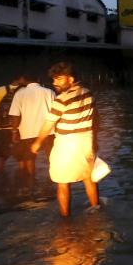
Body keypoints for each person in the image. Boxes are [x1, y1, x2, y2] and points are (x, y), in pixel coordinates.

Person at [31, 62, 99, 217]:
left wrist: (37, 143)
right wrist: (95, 140)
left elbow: (49, 124)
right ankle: (96, 209)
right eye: (54, 79)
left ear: (71, 79)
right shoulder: (88, 93)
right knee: (89, 178)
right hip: (86, 141)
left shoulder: (61, 99)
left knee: (62, 182)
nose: (55, 83)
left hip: (67, 144)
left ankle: (65, 219)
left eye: (59, 79)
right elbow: (96, 118)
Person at [8, 76, 54, 173]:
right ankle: (55, 183)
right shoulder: (49, 92)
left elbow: (15, 115)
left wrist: (14, 132)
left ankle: (31, 182)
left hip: (27, 132)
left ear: (25, 81)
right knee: (53, 159)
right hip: (48, 132)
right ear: (38, 80)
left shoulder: (19, 93)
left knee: (29, 159)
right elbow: (57, 112)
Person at [0, 75, 27, 172]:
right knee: (21, 157)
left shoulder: (1, 90)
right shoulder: (25, 91)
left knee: (1, 156)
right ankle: (24, 179)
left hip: (3, 127)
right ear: (21, 79)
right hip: (19, 128)